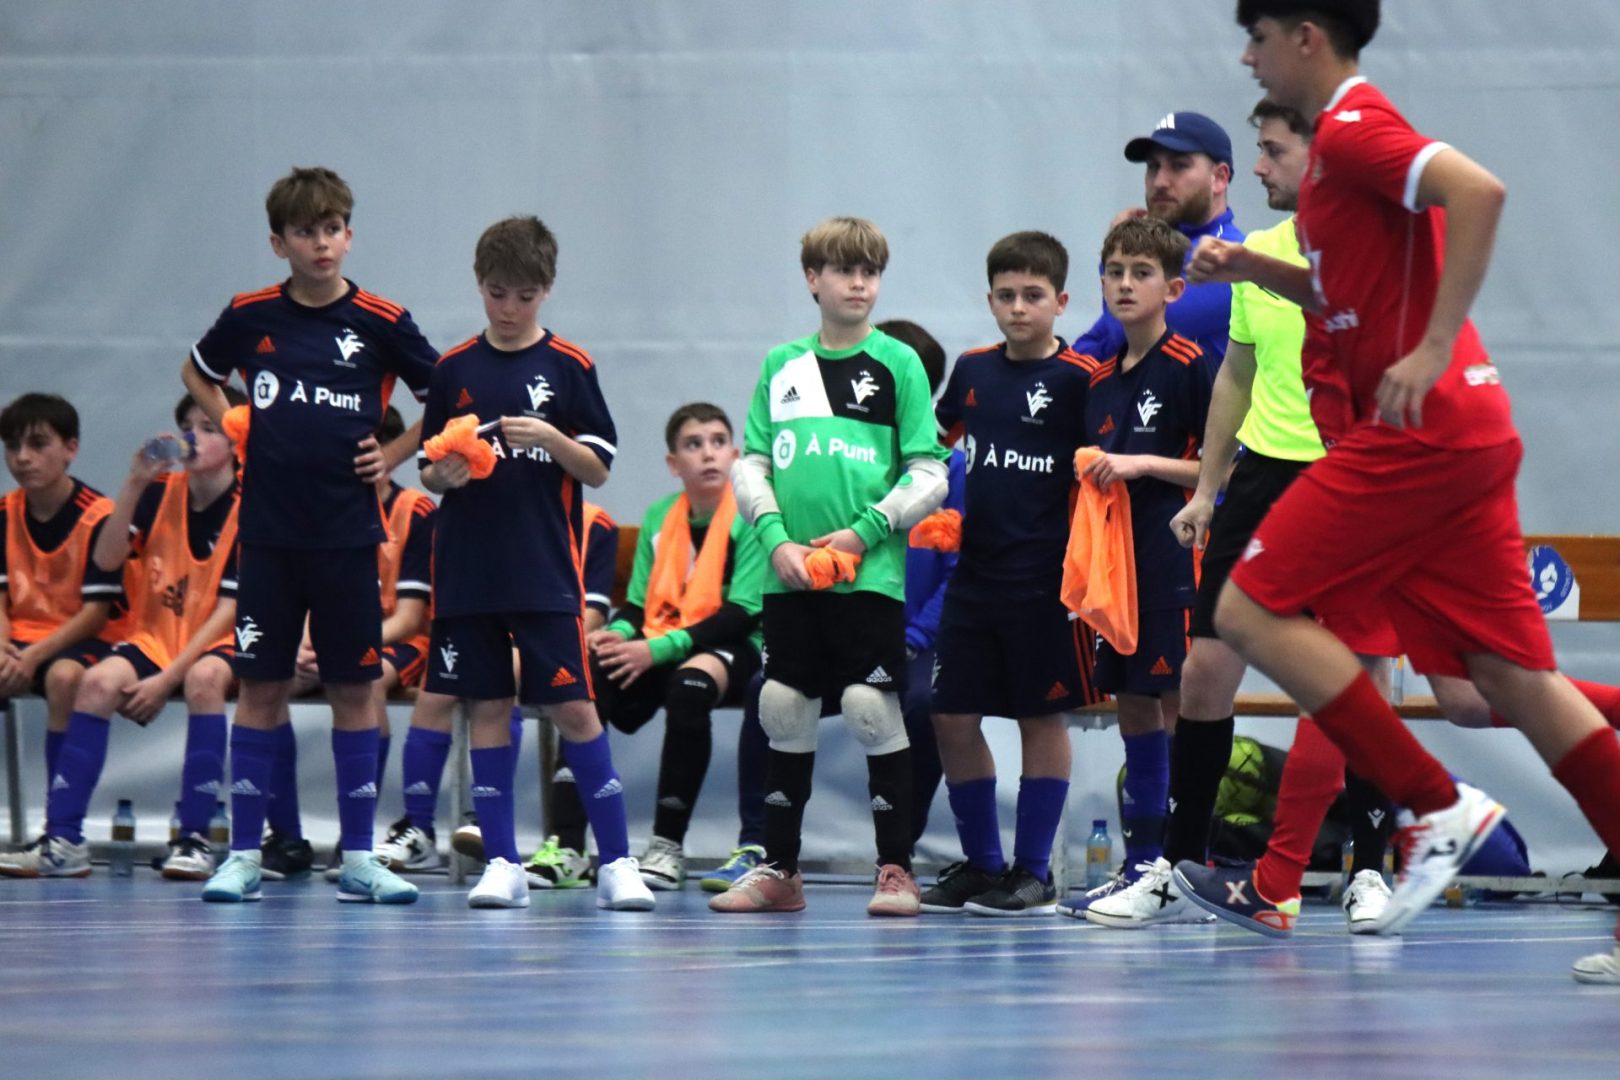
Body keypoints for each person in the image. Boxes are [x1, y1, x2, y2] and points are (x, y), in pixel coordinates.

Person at [1174, 2, 1620, 983]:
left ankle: (1434, 805)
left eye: (1256, 39)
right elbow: (1346, 287)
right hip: (1464, 438)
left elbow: (1480, 191)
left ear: (1305, 36)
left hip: (1418, 435)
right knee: (1507, 685)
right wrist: (1252, 265)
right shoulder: (1331, 166)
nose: (1246, 59)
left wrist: (1428, 344)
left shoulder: (1357, 127)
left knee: (1246, 606)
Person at [1068, 98, 1396, 931]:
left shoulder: (1365, 252)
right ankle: (1177, 868)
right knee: (1204, 673)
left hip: (1351, 476)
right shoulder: (1250, 260)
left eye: (1272, 152)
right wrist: (1210, 491)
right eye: (1254, 152)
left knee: (1358, 676)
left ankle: (1369, 866)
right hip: (1264, 474)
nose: (1259, 166)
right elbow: (1236, 380)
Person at [182, 166, 437, 904]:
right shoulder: (251, 313)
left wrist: (393, 454)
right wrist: (235, 416)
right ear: (278, 242)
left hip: (347, 538)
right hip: (267, 537)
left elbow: (448, 395)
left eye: (332, 229)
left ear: (348, 236)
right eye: (305, 231)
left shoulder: (383, 321)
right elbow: (197, 371)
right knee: (261, 689)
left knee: (356, 690)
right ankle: (243, 856)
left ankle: (358, 856)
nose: (321, 243)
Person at [712, 216, 950, 916]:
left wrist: (866, 531)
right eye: (844, 270)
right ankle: (779, 869)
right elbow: (753, 464)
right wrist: (779, 540)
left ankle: (896, 870)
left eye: (870, 271)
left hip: (867, 576)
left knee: (870, 706)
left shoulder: (898, 364)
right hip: (787, 575)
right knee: (783, 705)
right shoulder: (782, 365)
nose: (859, 283)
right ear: (813, 280)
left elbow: (929, 472)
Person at [418, 213, 654, 912]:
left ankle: (617, 861)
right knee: (487, 705)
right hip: (468, 572)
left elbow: (600, 469)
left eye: (524, 295)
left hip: (545, 570)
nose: (510, 309)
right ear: (479, 287)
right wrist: (444, 476)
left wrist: (551, 437)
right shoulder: (453, 368)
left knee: (575, 708)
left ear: (546, 290)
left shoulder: (569, 367)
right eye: (497, 294)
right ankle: (501, 861)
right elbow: (430, 470)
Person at [921, 231, 1104, 917]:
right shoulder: (972, 370)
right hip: (974, 578)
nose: (1019, 307)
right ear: (990, 299)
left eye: (1034, 295)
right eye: (1007, 295)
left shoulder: (1081, 380)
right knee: (951, 716)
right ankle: (983, 865)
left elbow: (1104, 474)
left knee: (1039, 717)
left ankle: (1034, 872)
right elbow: (930, 447)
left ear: (1060, 301)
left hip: (1046, 584)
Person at [1055, 216, 1214, 929]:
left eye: (1140, 273)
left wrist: (1145, 464)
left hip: (1174, 557)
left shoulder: (1187, 365)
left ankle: (1190, 867)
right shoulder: (1098, 380)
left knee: (1182, 704)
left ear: (1173, 287)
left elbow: (1227, 469)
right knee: (1133, 710)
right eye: (1114, 271)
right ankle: (1142, 863)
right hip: (1116, 573)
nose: (1124, 284)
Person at [534, 403, 764, 892]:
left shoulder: (753, 513)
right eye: (693, 444)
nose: (709, 454)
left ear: (736, 454)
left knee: (690, 684)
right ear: (672, 463)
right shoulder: (661, 516)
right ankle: (568, 847)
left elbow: (741, 613)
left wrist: (654, 650)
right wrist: (614, 636)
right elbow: (638, 606)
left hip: (737, 644)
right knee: (586, 670)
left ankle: (667, 846)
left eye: (719, 442)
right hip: (664, 639)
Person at [0, 394, 150, 875]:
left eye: (37, 444)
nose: (22, 457)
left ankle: (62, 836)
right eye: (12, 446)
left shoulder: (97, 514)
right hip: (20, 640)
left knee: (66, 678)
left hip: (87, 638)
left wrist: (29, 657)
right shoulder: (4, 511)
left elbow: (95, 613)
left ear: (71, 449)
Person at [1072, 112, 1245, 367]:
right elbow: (1093, 345)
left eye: (1179, 165)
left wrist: (1117, 254)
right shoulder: (1159, 254)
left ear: (1219, 178)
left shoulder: (1232, 258)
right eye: (1153, 167)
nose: (1160, 181)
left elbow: (1126, 333)